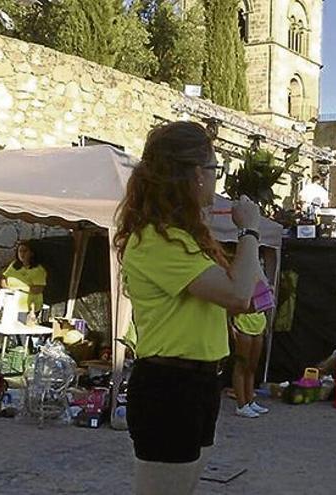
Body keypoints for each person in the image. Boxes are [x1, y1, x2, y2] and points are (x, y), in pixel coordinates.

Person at [113, 121, 262, 495]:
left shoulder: (181, 237)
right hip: (170, 385)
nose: (216, 179)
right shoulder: (156, 241)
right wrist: (250, 231)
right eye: (215, 170)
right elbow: (239, 296)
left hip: (198, 382)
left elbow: (244, 293)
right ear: (196, 173)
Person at [230, 311, 269, 418]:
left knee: (252, 367)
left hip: (259, 324)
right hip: (242, 324)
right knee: (241, 366)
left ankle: (250, 401)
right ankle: (241, 405)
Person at [0, 240, 47, 316]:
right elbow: (3, 279)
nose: (22, 254)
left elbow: (38, 289)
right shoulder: (14, 265)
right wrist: (8, 288)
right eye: (20, 251)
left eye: (25, 251)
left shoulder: (38, 270)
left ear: (31, 253)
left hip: (28, 309)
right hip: (10, 305)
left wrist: (18, 289)